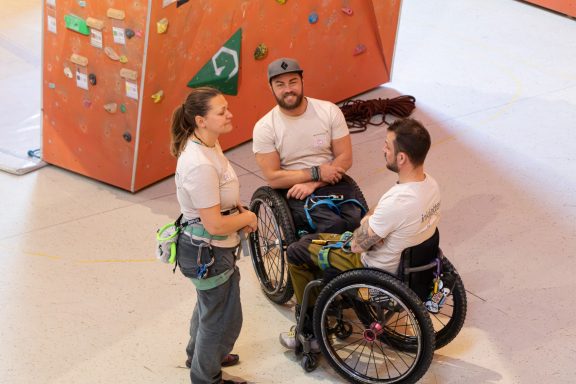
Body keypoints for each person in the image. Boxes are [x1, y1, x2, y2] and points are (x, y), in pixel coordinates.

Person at [278, 118, 441, 349]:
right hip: (410, 266)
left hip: (373, 270)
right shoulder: (431, 185)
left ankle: (309, 332)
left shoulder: (397, 202)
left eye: (387, 145)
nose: (383, 149)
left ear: (401, 158)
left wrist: (367, 221)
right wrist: (374, 221)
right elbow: (380, 217)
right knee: (313, 241)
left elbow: (356, 245)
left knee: (296, 251)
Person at [170, 87, 257, 384]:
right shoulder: (199, 165)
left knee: (210, 308)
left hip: (209, 249)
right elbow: (215, 224)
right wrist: (247, 217)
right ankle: (206, 376)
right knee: (221, 319)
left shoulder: (209, 144)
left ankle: (198, 353)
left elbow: (220, 199)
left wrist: (237, 210)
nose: (229, 114)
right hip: (208, 251)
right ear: (200, 120)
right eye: (221, 112)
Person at [252, 57, 364, 234]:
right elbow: (273, 178)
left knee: (357, 223)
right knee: (332, 226)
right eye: (280, 84)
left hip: (331, 180)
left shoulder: (328, 111)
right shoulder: (264, 128)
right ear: (270, 87)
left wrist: (314, 183)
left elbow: (345, 157)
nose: (288, 90)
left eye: (293, 82)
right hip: (295, 191)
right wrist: (315, 172)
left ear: (302, 81)